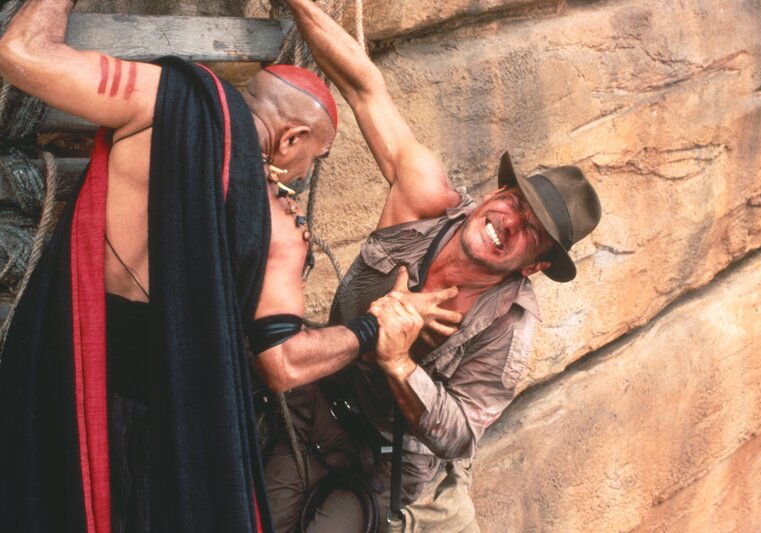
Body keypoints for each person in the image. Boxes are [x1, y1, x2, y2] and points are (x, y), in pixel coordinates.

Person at [0, 2, 456, 532]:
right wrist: (374, 327)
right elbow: (283, 363)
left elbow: (21, 52)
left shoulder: (160, 99)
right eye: (316, 157)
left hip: (66, 370)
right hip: (166, 421)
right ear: (291, 138)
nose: (303, 176)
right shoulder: (276, 225)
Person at [260, 0, 603, 531]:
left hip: (386, 469)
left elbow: (460, 435)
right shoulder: (423, 200)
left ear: (533, 266)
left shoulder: (509, 324)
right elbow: (363, 85)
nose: (510, 222)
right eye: (515, 202)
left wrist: (400, 363)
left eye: (532, 232)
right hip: (314, 416)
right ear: (498, 192)